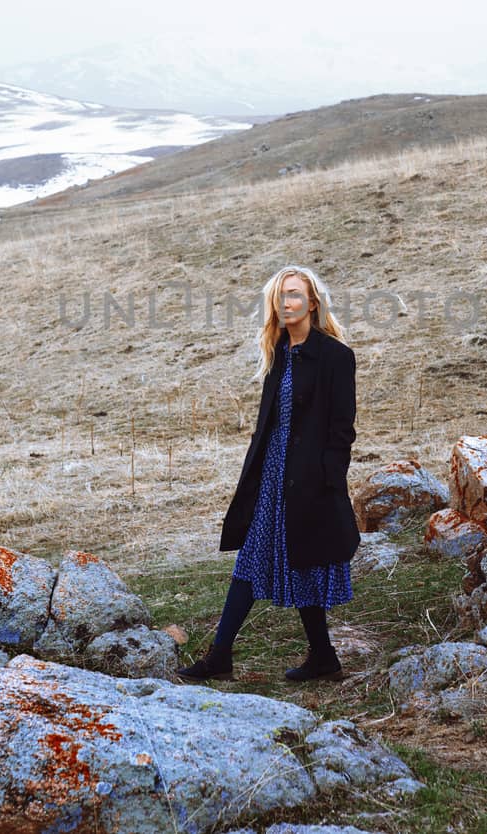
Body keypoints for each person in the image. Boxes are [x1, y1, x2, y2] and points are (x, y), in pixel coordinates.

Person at [177, 265, 360, 683]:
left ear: (313, 302)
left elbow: (342, 429)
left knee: (303, 561)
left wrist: (328, 479)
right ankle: (223, 654)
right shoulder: (279, 354)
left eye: (293, 294)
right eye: (279, 296)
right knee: (254, 558)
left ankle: (321, 656)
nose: (285, 303)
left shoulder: (336, 356)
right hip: (273, 477)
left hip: (310, 480)